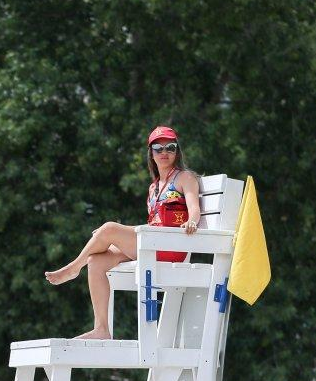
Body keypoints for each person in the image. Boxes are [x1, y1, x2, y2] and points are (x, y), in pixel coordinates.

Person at [45, 125, 202, 340]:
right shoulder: (154, 187)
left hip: (171, 247)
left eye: (170, 147)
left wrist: (191, 223)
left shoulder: (185, 178)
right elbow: (154, 222)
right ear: (151, 154)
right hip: (153, 244)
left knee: (109, 228)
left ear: (177, 152)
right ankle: (101, 329)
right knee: (97, 261)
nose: (164, 152)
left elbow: (194, 209)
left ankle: (74, 267)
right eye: (158, 148)